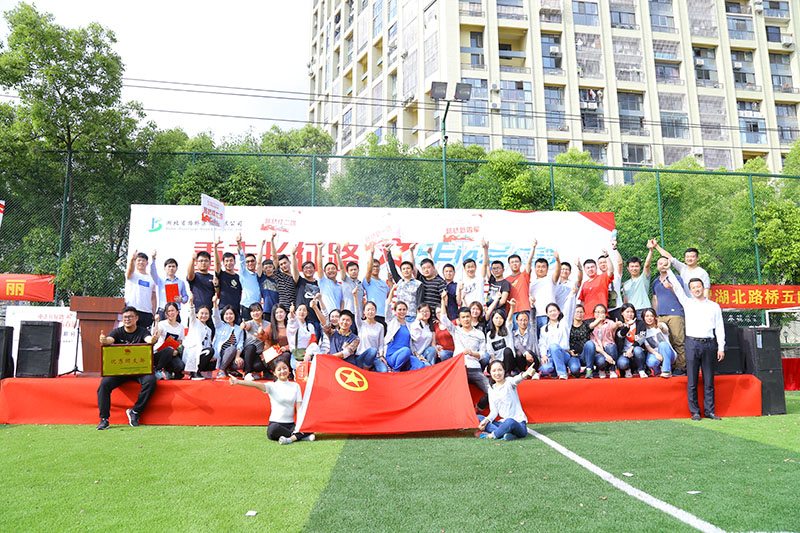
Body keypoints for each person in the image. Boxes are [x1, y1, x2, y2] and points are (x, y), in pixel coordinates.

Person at [663, 271, 725, 420]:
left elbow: (719, 327)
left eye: (699, 286)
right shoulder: (687, 302)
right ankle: (695, 412)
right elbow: (677, 287)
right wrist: (668, 269)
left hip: (709, 344)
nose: (697, 289)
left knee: (709, 380)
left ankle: (709, 411)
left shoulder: (714, 306)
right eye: (693, 287)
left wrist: (721, 347)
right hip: (692, 344)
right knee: (692, 380)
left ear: (703, 288)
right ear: (690, 290)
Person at [96, 307, 158, 430]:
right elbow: (109, 340)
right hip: (120, 370)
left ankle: (135, 411)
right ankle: (104, 419)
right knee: (104, 384)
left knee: (150, 381)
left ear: (136, 318)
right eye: (125, 317)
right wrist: (104, 340)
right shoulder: (117, 332)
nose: (127, 319)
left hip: (139, 370)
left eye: (130, 317)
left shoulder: (142, 331)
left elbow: (148, 340)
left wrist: (153, 340)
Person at [229, 360, 315, 445]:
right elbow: (255, 384)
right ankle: (299, 436)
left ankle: (290, 439)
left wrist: (299, 425)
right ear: (274, 373)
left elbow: (299, 408)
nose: (282, 371)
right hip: (276, 424)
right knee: (273, 430)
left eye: (285, 368)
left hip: (291, 425)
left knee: (309, 427)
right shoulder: (272, 386)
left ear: (288, 369)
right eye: (279, 369)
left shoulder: (295, 386)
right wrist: (238, 381)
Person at [437, 292, 490, 411]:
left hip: (475, 368)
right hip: (459, 368)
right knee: (455, 392)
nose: (466, 319)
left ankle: (478, 408)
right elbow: (443, 318)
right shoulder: (456, 330)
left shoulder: (479, 334)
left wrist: (473, 353)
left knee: (491, 392)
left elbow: (483, 354)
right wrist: (443, 300)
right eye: (463, 317)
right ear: (459, 319)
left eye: (467, 316)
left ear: (471, 317)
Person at [476, 360, 537, 440]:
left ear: (504, 371)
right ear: (490, 373)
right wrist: (486, 420)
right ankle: (506, 434)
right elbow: (494, 411)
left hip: (517, 424)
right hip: (502, 423)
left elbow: (517, 379)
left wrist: (525, 374)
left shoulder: (509, 382)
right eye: (494, 371)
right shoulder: (491, 389)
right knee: (478, 417)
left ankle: (493, 434)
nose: (497, 373)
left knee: (510, 422)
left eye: (499, 370)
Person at [652, 256, 687, 374]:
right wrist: (656, 316)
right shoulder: (655, 282)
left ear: (669, 265)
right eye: (660, 263)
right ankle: (669, 365)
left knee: (678, 341)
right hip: (661, 315)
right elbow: (655, 299)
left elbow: (681, 294)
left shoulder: (676, 278)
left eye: (665, 263)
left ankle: (681, 367)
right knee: (665, 341)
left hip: (676, 314)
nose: (662, 266)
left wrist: (671, 287)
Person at [536, 285, 578, 380]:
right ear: (547, 314)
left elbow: (569, 309)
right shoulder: (544, 328)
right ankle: (555, 370)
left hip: (564, 354)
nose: (553, 313)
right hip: (550, 355)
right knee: (546, 369)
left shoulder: (564, 323)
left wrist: (572, 295)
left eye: (554, 310)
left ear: (559, 312)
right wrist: (544, 355)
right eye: (550, 311)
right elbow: (542, 343)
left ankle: (562, 373)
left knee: (554, 346)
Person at [380, 285, 419, 371]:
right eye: (399, 310)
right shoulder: (391, 321)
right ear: (395, 311)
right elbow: (387, 305)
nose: (402, 312)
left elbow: (411, 344)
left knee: (420, 365)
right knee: (406, 350)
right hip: (392, 356)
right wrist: (392, 291)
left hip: (407, 356)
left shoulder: (409, 325)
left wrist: (417, 355)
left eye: (404, 310)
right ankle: (396, 371)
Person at [529, 240, 561, 335]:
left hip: (549, 315)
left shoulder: (550, 279)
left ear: (547, 268)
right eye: (538, 267)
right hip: (535, 316)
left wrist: (557, 260)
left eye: (543, 267)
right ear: (535, 268)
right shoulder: (531, 283)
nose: (540, 269)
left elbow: (557, 272)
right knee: (538, 340)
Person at [385, 243, 422, 319]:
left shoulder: (418, 284)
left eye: (408, 268)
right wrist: (388, 252)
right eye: (404, 269)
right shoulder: (399, 282)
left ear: (412, 270)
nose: (406, 270)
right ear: (401, 271)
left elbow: (420, 301)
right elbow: (392, 268)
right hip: (399, 317)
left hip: (413, 316)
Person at [149, 252, 188, 322]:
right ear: (164, 268)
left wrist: (181, 299)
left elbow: (186, 297)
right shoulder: (160, 281)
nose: (171, 268)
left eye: (173, 266)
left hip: (175, 312)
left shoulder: (181, 282)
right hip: (163, 311)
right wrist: (153, 259)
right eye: (169, 266)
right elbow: (152, 272)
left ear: (176, 268)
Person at [352, 287, 386, 370]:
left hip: (375, 357)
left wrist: (381, 355)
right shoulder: (361, 324)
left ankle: (370, 368)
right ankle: (366, 369)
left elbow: (381, 344)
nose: (370, 312)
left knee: (384, 370)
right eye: (368, 310)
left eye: (372, 310)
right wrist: (355, 297)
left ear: (375, 311)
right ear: (364, 312)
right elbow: (357, 311)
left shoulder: (380, 326)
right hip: (361, 356)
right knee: (372, 350)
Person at [182, 293, 214, 380]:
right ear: (197, 314)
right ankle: (194, 372)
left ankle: (200, 371)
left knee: (212, 357)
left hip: (202, 352)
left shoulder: (209, 330)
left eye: (206, 313)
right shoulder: (194, 322)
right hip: (193, 352)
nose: (204, 315)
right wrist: (191, 301)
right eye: (202, 313)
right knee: (209, 351)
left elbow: (208, 344)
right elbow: (191, 311)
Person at [293, 244, 322, 340]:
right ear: (302, 270)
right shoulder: (300, 281)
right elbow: (295, 270)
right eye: (306, 268)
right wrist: (293, 255)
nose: (308, 270)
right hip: (302, 319)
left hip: (316, 319)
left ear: (314, 269)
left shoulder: (319, 283)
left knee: (315, 343)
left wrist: (319, 249)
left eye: (310, 267)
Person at [485, 302, 522, 376]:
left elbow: (510, 318)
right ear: (492, 319)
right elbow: (491, 352)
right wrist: (495, 363)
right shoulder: (489, 334)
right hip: (498, 361)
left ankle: (507, 373)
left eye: (501, 318)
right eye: (496, 318)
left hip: (509, 360)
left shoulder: (507, 328)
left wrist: (512, 306)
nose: (498, 320)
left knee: (507, 350)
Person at [212, 300, 245, 379]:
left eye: (231, 314)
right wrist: (215, 304)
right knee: (232, 348)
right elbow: (215, 316)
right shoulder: (220, 325)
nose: (229, 316)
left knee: (242, 363)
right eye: (226, 314)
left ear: (235, 315)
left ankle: (229, 369)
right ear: (223, 315)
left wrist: (237, 357)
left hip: (233, 356)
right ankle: (221, 370)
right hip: (221, 354)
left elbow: (240, 344)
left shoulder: (239, 329)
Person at [124, 250, 157, 329]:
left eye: (143, 260)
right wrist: (132, 259)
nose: (141, 262)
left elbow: (153, 297)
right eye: (138, 260)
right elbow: (130, 271)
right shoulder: (132, 275)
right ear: (135, 262)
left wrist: (154, 312)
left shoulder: (151, 279)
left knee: (144, 335)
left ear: (147, 263)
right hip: (133, 310)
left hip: (147, 312)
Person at [153, 302, 186, 380]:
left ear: (177, 312)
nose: (171, 313)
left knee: (180, 366)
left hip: (172, 353)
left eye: (173, 310)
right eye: (169, 311)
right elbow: (155, 336)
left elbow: (179, 342)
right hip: (160, 353)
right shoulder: (161, 324)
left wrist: (177, 351)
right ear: (166, 314)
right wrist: (156, 322)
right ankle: (158, 370)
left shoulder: (181, 327)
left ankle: (169, 372)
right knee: (169, 350)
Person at [256, 304, 292, 374]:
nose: (279, 314)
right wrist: (261, 332)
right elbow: (264, 337)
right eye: (276, 313)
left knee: (286, 355)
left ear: (285, 313)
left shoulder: (291, 326)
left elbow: (295, 342)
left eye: (281, 312)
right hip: (272, 355)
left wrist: (286, 348)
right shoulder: (271, 327)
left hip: (285, 353)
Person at [214, 237, 243, 323]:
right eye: (226, 261)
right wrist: (215, 247)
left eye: (231, 260)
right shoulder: (221, 274)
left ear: (235, 262)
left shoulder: (238, 277)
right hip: (223, 310)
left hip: (236, 311)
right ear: (223, 263)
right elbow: (217, 263)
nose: (229, 263)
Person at [622, 241, 654, 317]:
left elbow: (647, 265)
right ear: (628, 268)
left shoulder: (643, 278)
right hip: (631, 312)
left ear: (640, 267)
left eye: (636, 266)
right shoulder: (625, 284)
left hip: (644, 310)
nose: (634, 268)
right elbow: (625, 301)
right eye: (632, 266)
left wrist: (651, 250)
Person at [614, 303, 647, 378]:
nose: (630, 314)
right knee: (622, 363)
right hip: (625, 354)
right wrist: (627, 327)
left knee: (637, 350)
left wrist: (631, 349)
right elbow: (620, 335)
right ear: (622, 313)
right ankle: (627, 369)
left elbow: (641, 338)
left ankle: (641, 370)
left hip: (638, 353)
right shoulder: (620, 325)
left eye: (632, 312)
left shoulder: (640, 323)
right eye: (627, 312)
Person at [362, 243, 391, 329]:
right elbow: (369, 270)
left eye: (377, 266)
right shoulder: (368, 280)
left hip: (384, 315)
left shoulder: (383, 283)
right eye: (373, 266)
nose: (375, 268)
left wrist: (390, 281)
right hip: (372, 315)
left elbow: (390, 294)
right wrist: (372, 254)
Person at [642, 307, 676, 378]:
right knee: (651, 362)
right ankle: (657, 372)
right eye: (647, 316)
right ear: (643, 318)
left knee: (663, 344)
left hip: (668, 354)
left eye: (651, 316)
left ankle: (666, 371)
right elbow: (648, 346)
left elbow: (665, 331)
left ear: (655, 317)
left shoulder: (661, 325)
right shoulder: (643, 331)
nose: (649, 318)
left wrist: (661, 327)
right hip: (655, 354)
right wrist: (656, 354)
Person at [590, 304, 621, 379]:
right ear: (594, 314)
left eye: (602, 312)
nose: (600, 314)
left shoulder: (609, 322)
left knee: (611, 346)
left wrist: (616, 324)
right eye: (597, 312)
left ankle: (612, 370)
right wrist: (605, 355)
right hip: (598, 351)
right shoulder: (591, 325)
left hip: (609, 349)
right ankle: (601, 370)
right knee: (601, 362)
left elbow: (613, 325)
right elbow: (594, 344)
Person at [269, 231, 298, 310]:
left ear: (289, 262)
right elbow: (274, 257)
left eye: (285, 263)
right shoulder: (279, 276)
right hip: (283, 310)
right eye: (281, 264)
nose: (283, 266)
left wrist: (293, 254)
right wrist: (272, 240)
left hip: (294, 309)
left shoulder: (296, 277)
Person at [237, 233, 262, 322]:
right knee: (246, 328)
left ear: (255, 262)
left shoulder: (259, 275)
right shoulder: (243, 273)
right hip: (246, 307)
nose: (250, 263)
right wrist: (239, 243)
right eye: (248, 262)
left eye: (252, 261)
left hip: (257, 308)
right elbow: (241, 259)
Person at [482, 239, 510, 318]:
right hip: (489, 310)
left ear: (503, 269)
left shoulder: (505, 283)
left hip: (499, 311)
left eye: (498, 268)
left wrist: (492, 308)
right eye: (494, 268)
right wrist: (486, 249)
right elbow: (487, 265)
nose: (496, 270)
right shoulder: (492, 280)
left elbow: (503, 301)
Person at [568, 304, 596, 378]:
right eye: (577, 312)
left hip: (584, 355)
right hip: (573, 356)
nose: (579, 314)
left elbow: (592, 325)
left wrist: (599, 319)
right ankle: (575, 372)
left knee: (590, 343)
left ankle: (589, 370)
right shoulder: (568, 326)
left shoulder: (586, 325)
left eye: (581, 312)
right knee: (575, 369)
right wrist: (569, 351)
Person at [242, 302, 268, 381]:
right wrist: (243, 326)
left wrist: (262, 333)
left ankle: (257, 372)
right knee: (251, 347)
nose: (255, 313)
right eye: (253, 311)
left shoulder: (267, 324)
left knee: (258, 365)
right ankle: (247, 373)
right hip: (248, 352)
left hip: (259, 353)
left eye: (257, 310)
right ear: (250, 313)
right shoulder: (249, 323)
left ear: (262, 311)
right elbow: (246, 326)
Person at [316, 243, 343, 318]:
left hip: (338, 317)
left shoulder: (340, 286)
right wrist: (319, 249)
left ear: (337, 271)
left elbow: (342, 302)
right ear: (324, 272)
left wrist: (342, 315)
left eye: (333, 268)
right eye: (328, 269)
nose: (331, 270)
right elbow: (319, 266)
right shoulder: (323, 281)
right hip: (326, 315)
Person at [256, 239, 279, 321]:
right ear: (263, 269)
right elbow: (258, 262)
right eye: (266, 268)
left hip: (278, 311)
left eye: (270, 267)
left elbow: (275, 258)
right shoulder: (262, 278)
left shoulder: (279, 279)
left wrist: (272, 240)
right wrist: (262, 245)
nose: (268, 269)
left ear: (274, 268)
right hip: (267, 311)